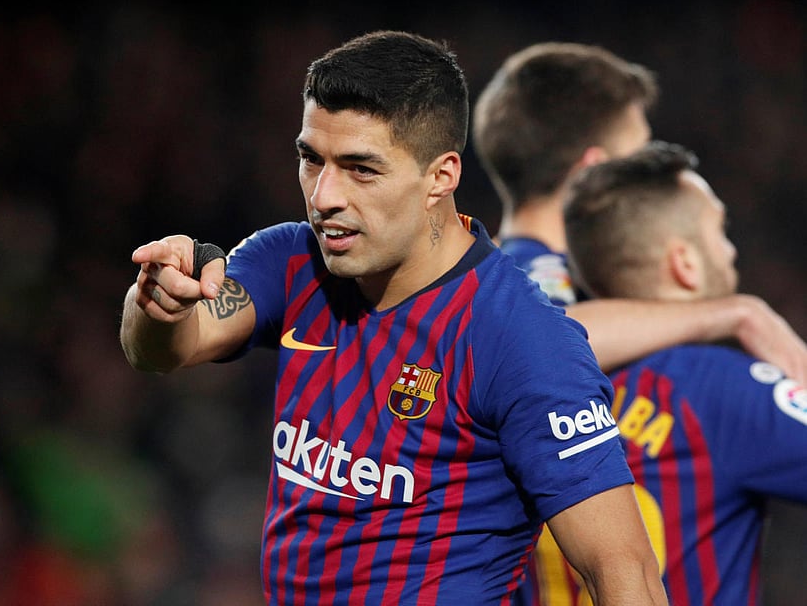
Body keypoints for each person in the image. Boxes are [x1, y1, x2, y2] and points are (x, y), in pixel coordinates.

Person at [119, 31, 667, 604]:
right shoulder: (291, 260)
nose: (324, 195)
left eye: (361, 169)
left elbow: (626, 575)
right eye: (312, 159)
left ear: (441, 177)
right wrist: (157, 301)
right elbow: (161, 350)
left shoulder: (520, 337)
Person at [526, 139, 807, 604]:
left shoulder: (537, 388)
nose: (731, 252)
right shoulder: (720, 390)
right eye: (721, 231)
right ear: (685, 263)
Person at [472, 41, 807, 380]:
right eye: (638, 155)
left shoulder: (491, 271)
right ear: (593, 171)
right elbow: (542, 346)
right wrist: (737, 314)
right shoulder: (537, 273)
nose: (651, 171)